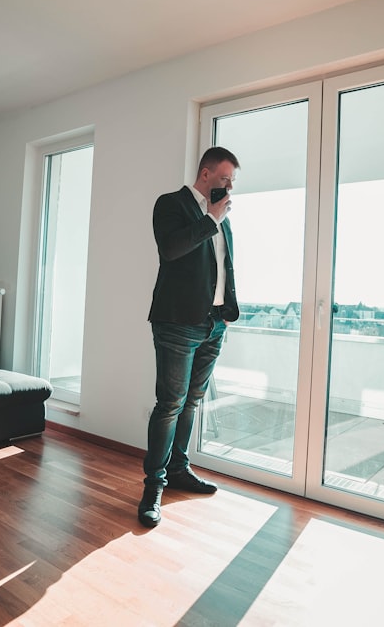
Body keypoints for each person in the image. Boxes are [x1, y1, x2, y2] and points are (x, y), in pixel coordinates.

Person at [138, 146, 240, 527]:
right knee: (169, 404)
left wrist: (228, 312)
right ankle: (154, 487)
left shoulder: (223, 219)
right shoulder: (172, 204)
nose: (230, 186)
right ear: (206, 174)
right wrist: (211, 219)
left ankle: (179, 470)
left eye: (233, 181)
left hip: (213, 324)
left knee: (192, 403)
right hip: (177, 323)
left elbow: (225, 267)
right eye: (226, 178)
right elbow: (171, 250)